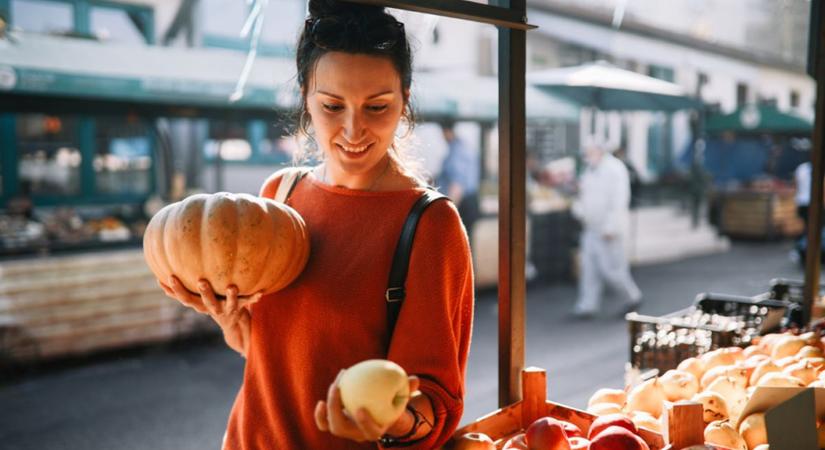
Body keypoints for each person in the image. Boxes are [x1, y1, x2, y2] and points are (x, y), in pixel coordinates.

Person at [158, 2, 474, 448]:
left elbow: (434, 401)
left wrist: (392, 422)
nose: (353, 130)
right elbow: (277, 357)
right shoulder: (279, 195)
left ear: (405, 100)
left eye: (377, 106)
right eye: (332, 105)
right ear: (306, 96)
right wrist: (233, 322)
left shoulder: (429, 224)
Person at [571, 142, 642, 319]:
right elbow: (584, 195)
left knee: (612, 270)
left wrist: (611, 226)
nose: (587, 155)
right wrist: (579, 211)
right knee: (589, 268)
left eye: (590, 151)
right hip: (591, 227)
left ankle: (632, 297)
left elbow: (619, 200)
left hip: (608, 228)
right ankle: (587, 305)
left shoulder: (614, 169)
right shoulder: (590, 169)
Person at [437, 121, 480, 246]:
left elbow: (457, 184)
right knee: (466, 243)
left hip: (461, 202)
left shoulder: (456, 151)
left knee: (458, 243)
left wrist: (449, 210)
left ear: (446, 132)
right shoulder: (465, 147)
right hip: (469, 201)